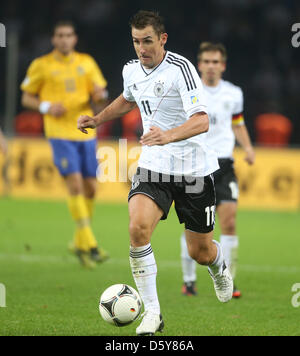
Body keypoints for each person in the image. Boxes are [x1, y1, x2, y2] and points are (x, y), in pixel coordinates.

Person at [78, 10, 233, 336]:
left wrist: (168, 134)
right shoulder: (131, 70)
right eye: (136, 41)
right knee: (137, 228)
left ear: (162, 39)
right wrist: (97, 119)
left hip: (193, 171)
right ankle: (153, 313)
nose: (141, 48)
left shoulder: (182, 70)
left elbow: (201, 120)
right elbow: (127, 99)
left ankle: (218, 267)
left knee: (200, 253)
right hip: (154, 167)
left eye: (147, 40)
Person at [20, 20, 109, 268]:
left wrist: (100, 97)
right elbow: (26, 97)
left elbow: (99, 94)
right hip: (59, 132)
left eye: (68, 35)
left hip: (85, 132)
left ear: (75, 39)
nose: (64, 39)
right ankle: (90, 244)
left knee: (92, 188)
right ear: (53, 39)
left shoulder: (86, 62)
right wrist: (46, 106)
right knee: (76, 184)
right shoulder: (42, 65)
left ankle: (78, 241)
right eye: (60, 35)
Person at [180, 42, 255, 298]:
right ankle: (189, 281)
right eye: (206, 62)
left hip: (224, 165)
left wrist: (248, 148)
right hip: (197, 165)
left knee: (230, 222)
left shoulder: (233, 93)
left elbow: (238, 124)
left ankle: (228, 277)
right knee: (193, 226)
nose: (211, 66)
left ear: (222, 66)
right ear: (199, 65)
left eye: (216, 62)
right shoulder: (191, 91)